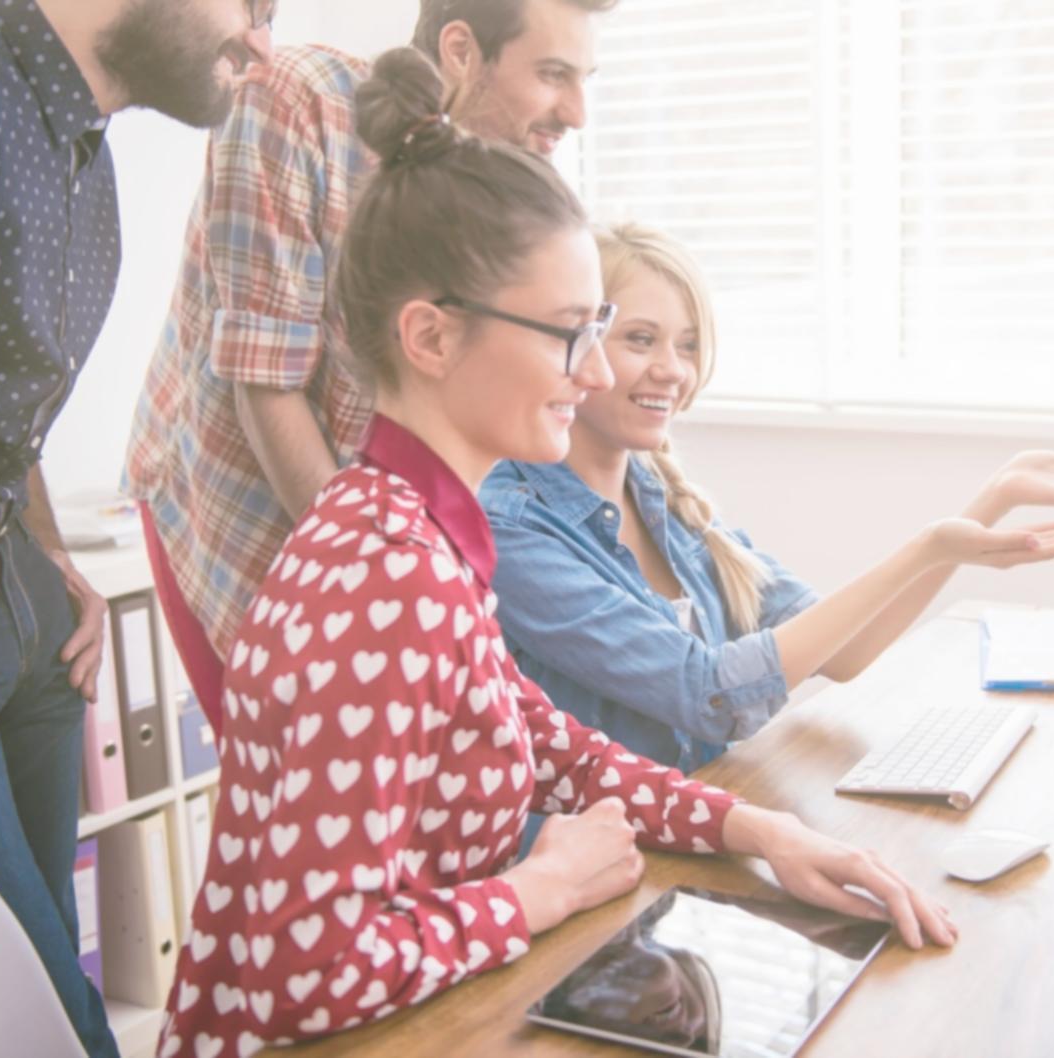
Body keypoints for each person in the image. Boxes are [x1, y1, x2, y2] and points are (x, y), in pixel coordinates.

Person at [159, 49, 957, 1058]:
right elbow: (304, 969)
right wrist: (535, 892)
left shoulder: (416, 527)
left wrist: (763, 832)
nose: (592, 373)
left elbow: (549, 744)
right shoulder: (385, 573)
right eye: (568, 334)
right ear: (431, 337)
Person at [0, 0, 273, 1054]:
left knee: (39, 995)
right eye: (255, 5)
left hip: (25, 607)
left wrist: (47, 552)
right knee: (50, 1021)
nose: (261, 41)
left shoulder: (82, 153)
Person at [481, 222, 1054, 773]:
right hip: (602, 873)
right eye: (640, 339)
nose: (672, 370)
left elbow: (841, 652)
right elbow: (710, 695)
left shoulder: (662, 496)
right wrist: (930, 546)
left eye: (688, 346)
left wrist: (988, 502)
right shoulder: (511, 527)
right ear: (581, 344)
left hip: (704, 833)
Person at [123, 0, 613, 734]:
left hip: (382, 532)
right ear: (460, 50)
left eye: (585, 79)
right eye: (551, 75)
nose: (575, 111)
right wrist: (376, 582)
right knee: (302, 794)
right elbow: (267, 381)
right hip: (241, 504)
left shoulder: (496, 181)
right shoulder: (296, 99)